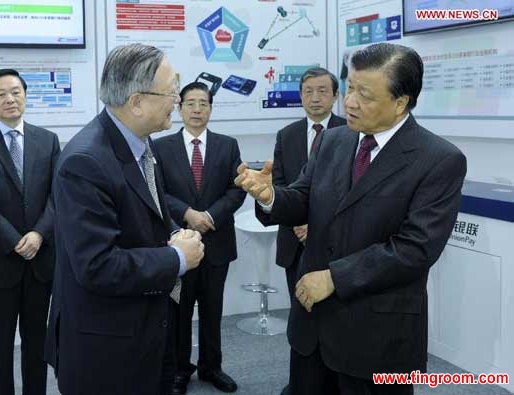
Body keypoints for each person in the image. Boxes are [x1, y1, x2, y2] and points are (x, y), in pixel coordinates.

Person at [235, 42, 467, 395]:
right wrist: (270, 197)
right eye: (350, 88)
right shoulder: (333, 141)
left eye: (366, 94)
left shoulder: (439, 160)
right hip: (312, 327)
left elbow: (415, 249)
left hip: (375, 334)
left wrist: (334, 278)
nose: (351, 102)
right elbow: (303, 197)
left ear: (401, 102)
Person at [44, 44, 205, 395]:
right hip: (106, 352)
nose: (178, 100)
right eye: (172, 90)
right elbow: (97, 265)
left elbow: (150, 217)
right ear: (136, 102)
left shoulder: (140, 143)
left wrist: (178, 234)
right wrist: (177, 257)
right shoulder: (85, 162)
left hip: (147, 332)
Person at [0, 68, 60, 395]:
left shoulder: (48, 141)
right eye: (2, 93)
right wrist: (15, 241)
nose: (10, 99)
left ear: (26, 94)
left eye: (16, 91)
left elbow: (56, 196)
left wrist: (39, 235)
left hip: (41, 263)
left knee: (37, 347)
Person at [154, 81, 246, 395]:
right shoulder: (161, 147)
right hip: (179, 244)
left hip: (217, 243)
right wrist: (189, 214)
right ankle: (181, 369)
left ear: (210, 108)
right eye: (190, 103)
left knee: (212, 310)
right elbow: (157, 192)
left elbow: (236, 190)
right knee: (179, 313)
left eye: (203, 103)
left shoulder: (227, 145)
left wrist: (210, 217)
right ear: (179, 107)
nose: (196, 109)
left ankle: (212, 367)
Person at [273, 67, 345, 395]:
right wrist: (298, 223)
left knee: (335, 316)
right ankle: (300, 383)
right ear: (300, 96)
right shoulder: (286, 135)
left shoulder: (351, 132)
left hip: (336, 247)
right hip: (294, 243)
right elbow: (281, 186)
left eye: (322, 91)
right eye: (308, 92)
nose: (315, 98)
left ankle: (331, 381)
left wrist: (315, 224)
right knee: (300, 315)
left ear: (335, 95)